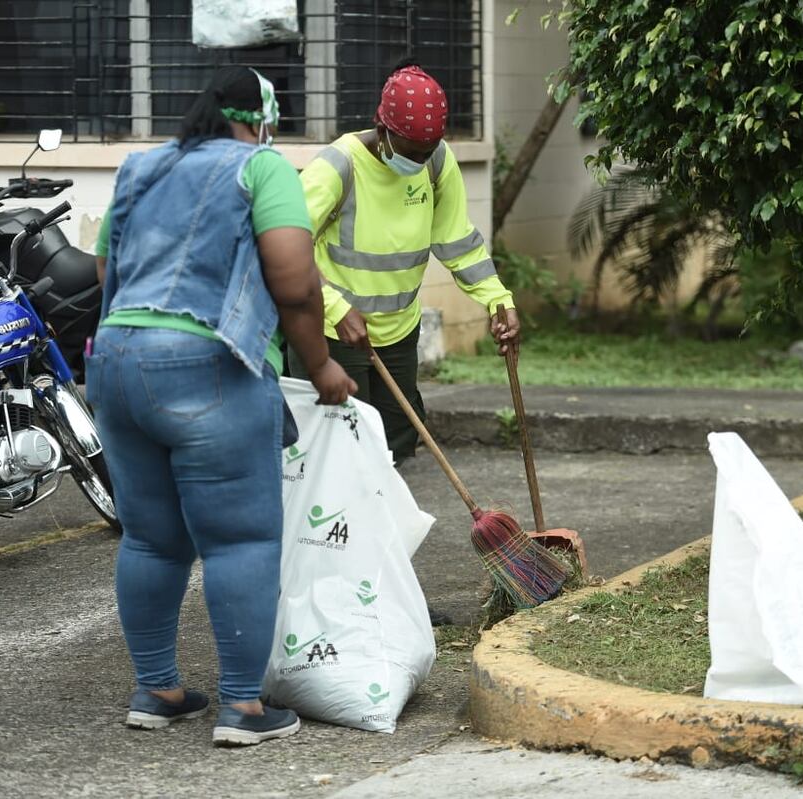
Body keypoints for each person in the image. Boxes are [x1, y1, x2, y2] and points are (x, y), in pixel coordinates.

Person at [87, 66, 356, 747]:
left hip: (117, 362)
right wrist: (319, 364)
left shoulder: (140, 167)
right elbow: (294, 279)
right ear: (261, 119)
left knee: (151, 536)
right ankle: (242, 705)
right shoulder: (262, 167)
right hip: (209, 368)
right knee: (240, 538)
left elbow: (104, 265)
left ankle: (159, 688)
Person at [290, 60, 521, 466]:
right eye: (412, 153)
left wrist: (497, 300)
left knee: (394, 446)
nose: (418, 163)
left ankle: (380, 528)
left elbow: (458, 242)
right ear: (383, 132)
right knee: (337, 452)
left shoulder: (435, 161)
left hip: (398, 332)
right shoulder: (337, 167)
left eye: (427, 153)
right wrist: (337, 308)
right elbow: (287, 247)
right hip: (333, 333)